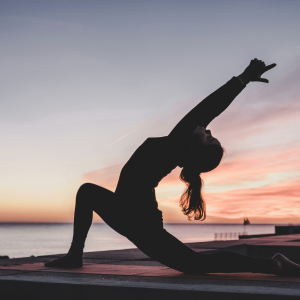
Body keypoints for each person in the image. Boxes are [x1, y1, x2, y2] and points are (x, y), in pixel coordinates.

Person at [45, 59, 300, 276]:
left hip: (139, 221)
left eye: (209, 138)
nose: (208, 129)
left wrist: (243, 78)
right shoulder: (177, 147)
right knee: (87, 191)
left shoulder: (177, 144)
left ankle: (273, 264)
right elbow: (206, 113)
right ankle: (74, 255)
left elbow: (208, 108)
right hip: (128, 212)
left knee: (194, 265)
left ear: (195, 150)